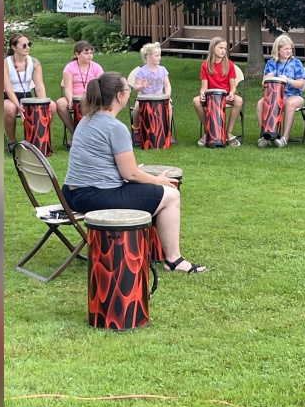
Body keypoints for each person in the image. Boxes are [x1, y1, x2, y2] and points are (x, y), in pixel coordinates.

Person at [61, 72, 206, 273]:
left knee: (150, 188)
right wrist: (159, 180)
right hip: (94, 196)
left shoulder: (87, 120)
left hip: (70, 195)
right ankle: (174, 260)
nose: (129, 92)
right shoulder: (115, 127)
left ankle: (153, 251)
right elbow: (131, 174)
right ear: (119, 96)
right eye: (127, 89)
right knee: (171, 195)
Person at [3, 33, 58, 142]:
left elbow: (39, 86)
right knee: (10, 108)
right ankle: (12, 140)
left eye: (29, 44)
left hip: (27, 96)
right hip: (9, 97)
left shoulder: (35, 62)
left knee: (52, 106)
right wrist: (18, 106)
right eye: (24, 45)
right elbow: (8, 88)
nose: (27, 47)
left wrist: (43, 104)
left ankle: (37, 137)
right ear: (14, 47)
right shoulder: (5, 63)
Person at [257, 34, 305, 147]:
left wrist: (288, 80)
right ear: (278, 50)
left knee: (289, 103)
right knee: (260, 103)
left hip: (294, 95)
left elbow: (301, 84)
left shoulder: (296, 63)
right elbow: (263, 84)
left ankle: (284, 138)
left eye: (290, 48)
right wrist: (266, 79)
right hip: (274, 96)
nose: (289, 51)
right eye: (286, 49)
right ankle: (265, 136)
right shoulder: (271, 63)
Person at [191, 37, 243, 146]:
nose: (223, 50)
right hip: (211, 96)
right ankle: (209, 131)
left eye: (225, 48)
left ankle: (228, 133)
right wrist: (202, 93)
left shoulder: (229, 64)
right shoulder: (205, 65)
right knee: (196, 101)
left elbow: (233, 86)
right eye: (220, 48)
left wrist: (232, 93)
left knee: (239, 101)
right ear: (213, 48)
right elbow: (204, 87)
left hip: (225, 96)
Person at [129, 41, 174, 146]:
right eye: (157, 55)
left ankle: (167, 132)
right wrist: (143, 86)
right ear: (148, 57)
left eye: (160, 55)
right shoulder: (141, 71)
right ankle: (136, 130)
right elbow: (136, 87)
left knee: (169, 108)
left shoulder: (162, 70)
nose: (159, 57)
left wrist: (167, 96)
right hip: (144, 98)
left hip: (160, 98)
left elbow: (167, 85)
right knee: (136, 109)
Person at [58, 40, 103, 137]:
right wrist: (70, 100)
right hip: (75, 98)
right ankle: (75, 133)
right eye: (86, 53)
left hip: (92, 97)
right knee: (61, 103)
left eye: (91, 53)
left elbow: (100, 86)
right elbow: (68, 88)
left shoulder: (96, 67)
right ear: (77, 54)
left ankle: (93, 134)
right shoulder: (69, 67)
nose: (89, 55)